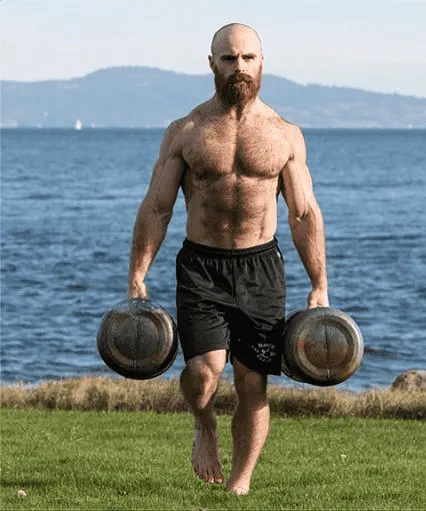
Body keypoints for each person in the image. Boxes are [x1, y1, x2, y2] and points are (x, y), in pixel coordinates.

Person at [127, 22, 329, 495]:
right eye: (229, 58)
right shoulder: (187, 132)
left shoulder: (285, 135)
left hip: (261, 266)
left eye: (248, 58)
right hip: (202, 265)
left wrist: (318, 282)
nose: (239, 67)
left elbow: (302, 213)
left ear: (262, 63)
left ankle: (239, 486)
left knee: (252, 382)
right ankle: (204, 426)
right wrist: (138, 273)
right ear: (212, 64)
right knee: (203, 373)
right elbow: (157, 206)